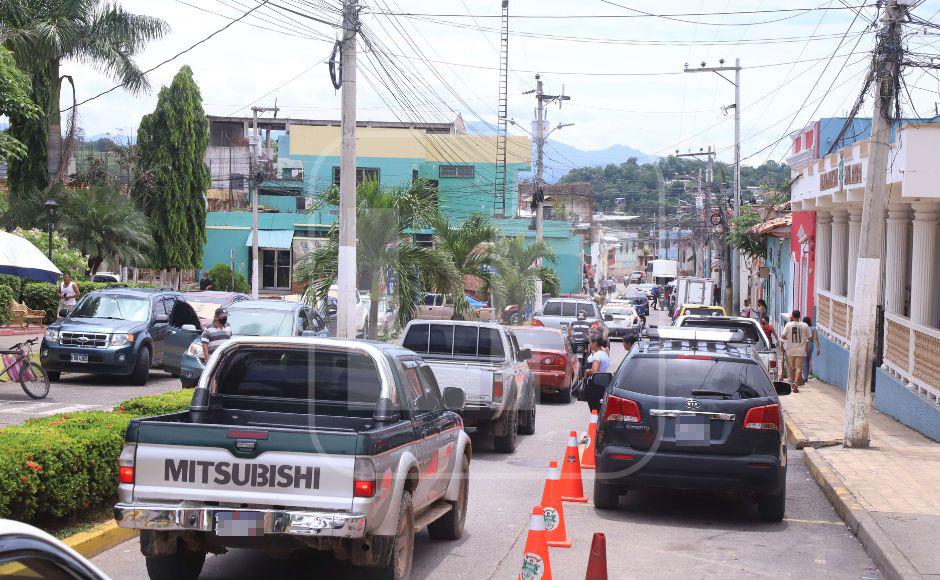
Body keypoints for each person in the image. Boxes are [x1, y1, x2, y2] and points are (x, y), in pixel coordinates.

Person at [781, 309, 811, 392]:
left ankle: (793, 383)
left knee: (792, 367)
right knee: (799, 367)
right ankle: (795, 383)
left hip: (791, 349)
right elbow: (809, 337)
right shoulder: (805, 325)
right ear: (800, 316)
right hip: (801, 350)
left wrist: (789, 338)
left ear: (792, 316)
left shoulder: (788, 325)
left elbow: (783, 336)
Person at [802, 316, 821, 384]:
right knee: (807, 359)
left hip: (803, 344)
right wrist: (818, 348)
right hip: (811, 345)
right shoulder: (813, 328)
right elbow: (816, 338)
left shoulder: (802, 328)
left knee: (804, 361)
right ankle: (806, 376)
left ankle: (805, 377)